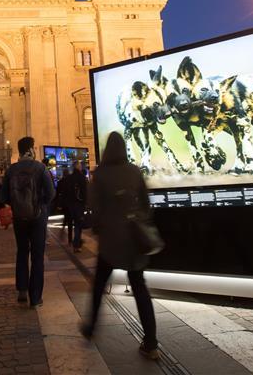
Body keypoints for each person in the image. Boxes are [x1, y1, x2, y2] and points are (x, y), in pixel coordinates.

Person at [80, 132, 159, 360]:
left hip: (111, 241)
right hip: (134, 239)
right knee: (140, 288)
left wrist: (100, 227)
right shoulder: (134, 171)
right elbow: (146, 204)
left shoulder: (101, 174)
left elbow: (94, 208)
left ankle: (91, 327)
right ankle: (151, 343)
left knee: (98, 286)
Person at [1, 136, 55, 307]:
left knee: (22, 252)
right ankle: (36, 296)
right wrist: (41, 206)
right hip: (38, 217)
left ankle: (22, 290)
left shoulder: (11, 170)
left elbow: (3, 196)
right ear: (31, 150)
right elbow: (51, 193)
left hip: (19, 218)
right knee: (38, 256)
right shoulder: (40, 168)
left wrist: (18, 205)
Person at [61, 165, 88, 251]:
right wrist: (86, 204)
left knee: (71, 222)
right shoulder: (81, 177)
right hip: (79, 204)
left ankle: (72, 240)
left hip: (70, 204)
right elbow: (85, 192)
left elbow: (64, 192)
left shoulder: (69, 178)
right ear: (79, 168)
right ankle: (76, 244)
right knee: (78, 224)